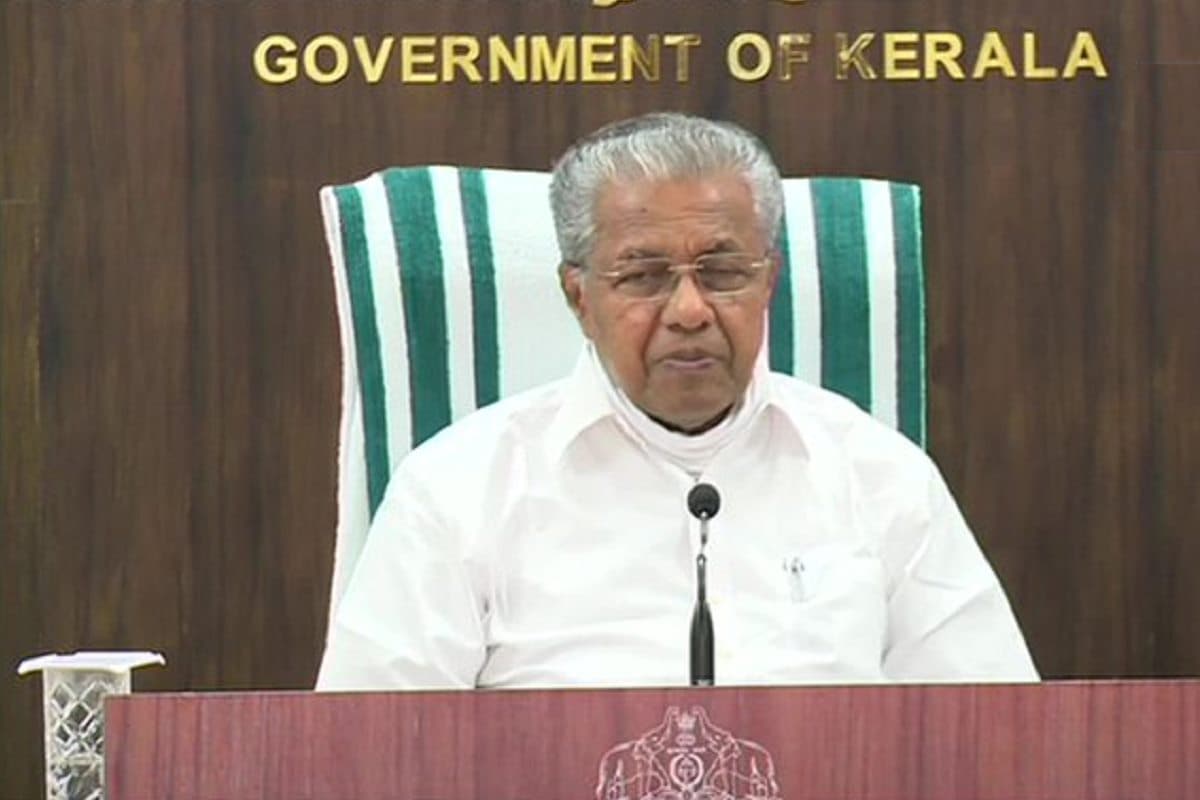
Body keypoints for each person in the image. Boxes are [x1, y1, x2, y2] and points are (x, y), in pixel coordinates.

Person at [316, 112, 1038, 690]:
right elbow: (371, 753)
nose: (690, 310)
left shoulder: (878, 475)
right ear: (578, 296)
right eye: (644, 276)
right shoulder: (457, 488)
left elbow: (988, 732)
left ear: (768, 283)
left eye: (722, 272)